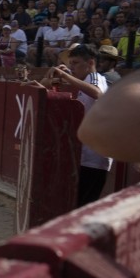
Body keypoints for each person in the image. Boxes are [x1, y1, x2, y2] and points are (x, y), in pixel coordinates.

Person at [37, 43, 111, 206]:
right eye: (71, 63)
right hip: (83, 154)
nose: (72, 67)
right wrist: (53, 77)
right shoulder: (83, 79)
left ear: (90, 63)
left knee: (81, 206)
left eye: (75, 63)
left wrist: (66, 76)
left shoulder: (95, 78)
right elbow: (44, 83)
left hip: (94, 157)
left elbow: (96, 93)